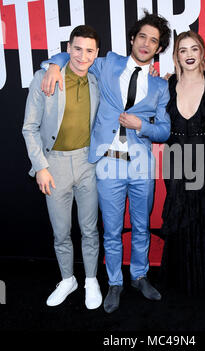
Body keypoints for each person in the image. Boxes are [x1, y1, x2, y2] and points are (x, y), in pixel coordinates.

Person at [41, 11, 171, 313]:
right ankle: (114, 282)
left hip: (140, 164)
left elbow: (164, 130)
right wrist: (52, 66)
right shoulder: (108, 63)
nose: (146, 44)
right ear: (132, 39)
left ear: (158, 48)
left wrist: (142, 126)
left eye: (153, 41)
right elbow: (74, 58)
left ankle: (139, 275)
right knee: (111, 230)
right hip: (108, 164)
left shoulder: (161, 86)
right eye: (142, 37)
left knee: (141, 226)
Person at [22, 25, 102, 309]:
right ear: (68, 49)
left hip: (87, 163)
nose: (82, 56)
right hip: (53, 164)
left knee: (90, 229)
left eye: (89, 50)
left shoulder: (96, 81)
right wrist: (40, 167)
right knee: (61, 232)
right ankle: (68, 279)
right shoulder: (45, 77)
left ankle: (91, 280)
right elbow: (29, 128)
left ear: (96, 54)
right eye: (77, 49)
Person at [160, 31, 205, 296]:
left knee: (199, 215)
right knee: (178, 212)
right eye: (182, 50)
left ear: (202, 52)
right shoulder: (165, 84)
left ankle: (202, 280)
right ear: (176, 56)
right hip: (174, 157)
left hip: (201, 158)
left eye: (193, 49)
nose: (188, 55)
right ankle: (176, 281)